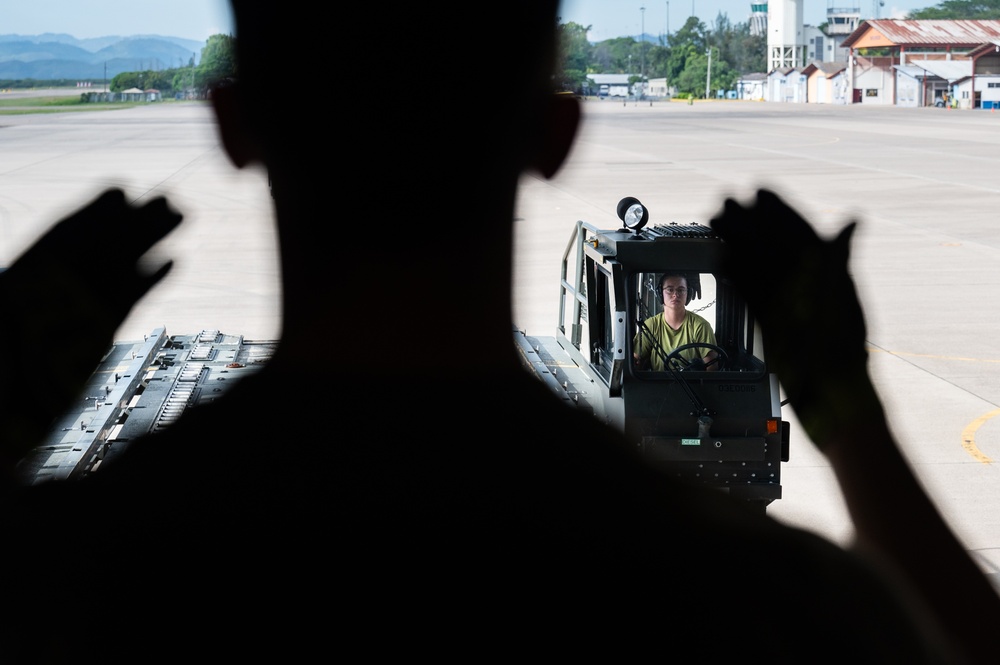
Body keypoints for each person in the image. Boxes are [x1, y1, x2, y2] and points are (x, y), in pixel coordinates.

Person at [1, 2, 998, 663]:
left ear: (231, 123)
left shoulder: (65, 579)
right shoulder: (765, 601)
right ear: (558, 132)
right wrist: (846, 415)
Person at [633, 271, 719, 370]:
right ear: (660, 293)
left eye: (681, 290)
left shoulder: (700, 326)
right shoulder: (651, 326)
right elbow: (635, 360)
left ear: (688, 294)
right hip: (657, 385)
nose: (675, 295)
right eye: (670, 290)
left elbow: (712, 368)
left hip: (691, 385)